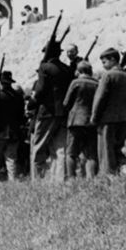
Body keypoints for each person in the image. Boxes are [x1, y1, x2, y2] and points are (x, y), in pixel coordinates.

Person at [32, 38, 74, 182]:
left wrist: (32, 101)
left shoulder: (44, 67)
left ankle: (37, 179)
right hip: (63, 112)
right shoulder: (66, 69)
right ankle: (60, 179)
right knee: (60, 148)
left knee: (38, 146)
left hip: (47, 112)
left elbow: (40, 90)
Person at [90, 47, 126, 175]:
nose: (103, 65)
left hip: (108, 119)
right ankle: (125, 171)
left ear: (113, 60)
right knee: (119, 148)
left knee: (106, 151)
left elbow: (100, 97)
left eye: (104, 62)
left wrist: (94, 117)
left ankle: (108, 176)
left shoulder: (108, 75)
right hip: (124, 118)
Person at [63, 61, 98, 178]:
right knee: (91, 154)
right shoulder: (96, 83)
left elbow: (66, 103)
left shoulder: (75, 82)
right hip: (91, 121)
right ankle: (91, 178)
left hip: (75, 121)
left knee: (71, 153)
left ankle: (71, 179)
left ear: (79, 71)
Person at [0, 71, 26, 182]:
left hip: (0, 130)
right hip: (14, 131)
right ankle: (12, 180)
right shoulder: (18, 96)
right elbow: (21, 115)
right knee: (11, 158)